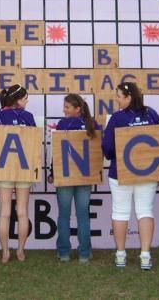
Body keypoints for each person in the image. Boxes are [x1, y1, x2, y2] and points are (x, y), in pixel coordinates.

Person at [102, 81, 159, 270]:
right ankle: (145, 255)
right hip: (148, 172)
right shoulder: (151, 114)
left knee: (120, 212)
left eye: (119, 96)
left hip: (120, 172)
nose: (117, 100)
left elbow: (108, 149)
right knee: (145, 211)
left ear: (128, 97)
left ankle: (121, 254)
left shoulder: (117, 118)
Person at [48, 94, 102, 264]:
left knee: (64, 215)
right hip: (85, 177)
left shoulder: (63, 124)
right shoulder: (92, 124)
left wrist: (52, 173)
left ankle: (64, 253)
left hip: (65, 176)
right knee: (83, 215)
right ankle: (84, 253)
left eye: (67, 107)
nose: (64, 110)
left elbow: (55, 154)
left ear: (77, 109)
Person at [0, 84, 37, 263]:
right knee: (23, 212)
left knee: (4, 213)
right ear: (18, 100)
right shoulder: (29, 117)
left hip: (4, 170)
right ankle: (20, 251)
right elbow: (34, 145)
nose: (27, 101)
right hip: (24, 170)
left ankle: (5, 252)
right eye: (25, 98)